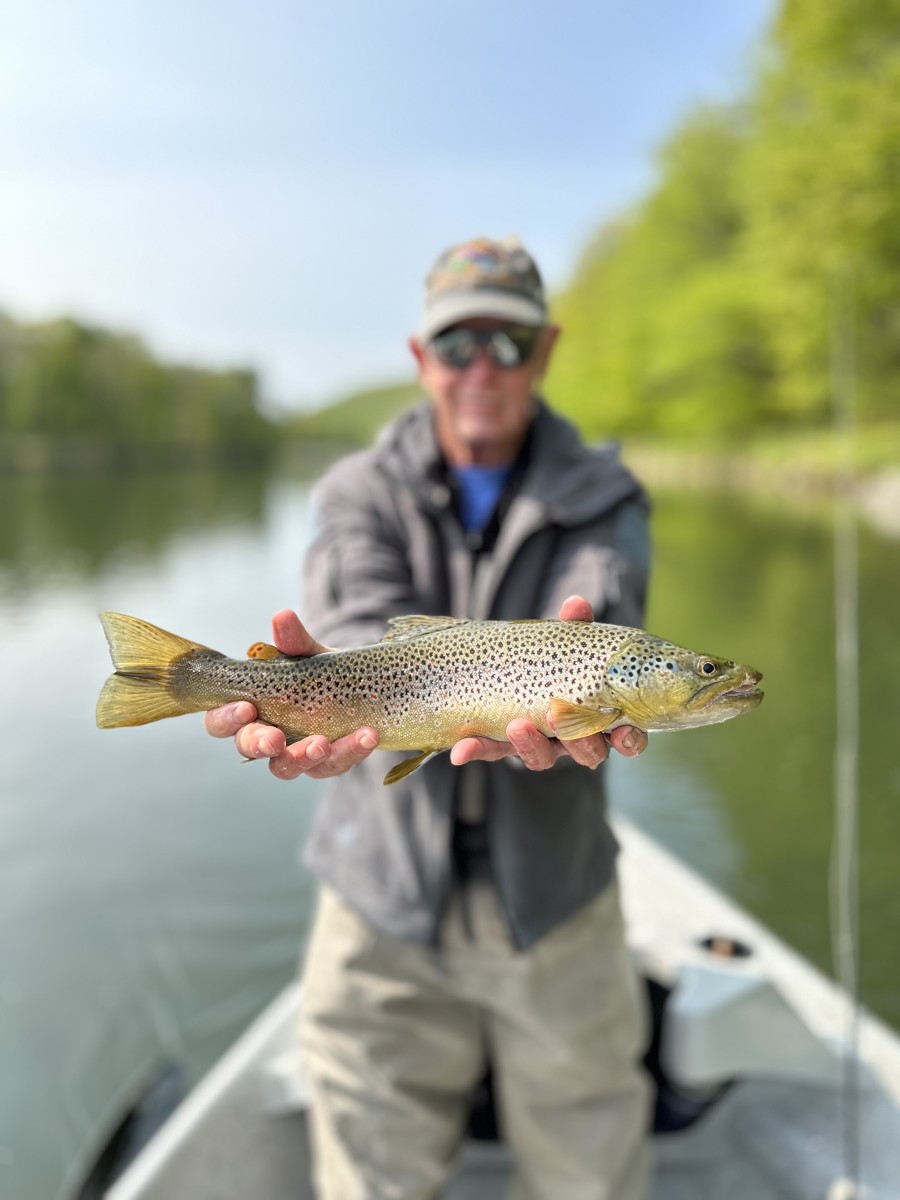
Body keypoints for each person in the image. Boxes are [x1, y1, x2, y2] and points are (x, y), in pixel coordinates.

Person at [206, 236, 653, 1199]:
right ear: (422, 358)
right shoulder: (355, 491)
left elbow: (599, 617)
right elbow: (362, 626)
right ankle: (183, 679)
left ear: (544, 352)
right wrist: (317, 704)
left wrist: (576, 652)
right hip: (378, 898)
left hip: (560, 902)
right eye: (459, 344)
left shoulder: (610, 495)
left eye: (507, 342)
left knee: (592, 1175)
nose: (481, 367)